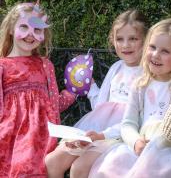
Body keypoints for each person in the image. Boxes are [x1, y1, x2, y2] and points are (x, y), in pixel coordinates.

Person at [45, 9, 149, 178]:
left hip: (119, 134)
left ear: (145, 41)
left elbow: (136, 119)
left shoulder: (147, 74)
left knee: (79, 167)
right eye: (119, 39)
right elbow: (100, 107)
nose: (125, 45)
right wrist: (91, 87)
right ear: (112, 41)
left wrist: (102, 135)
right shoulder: (116, 68)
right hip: (94, 128)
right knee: (52, 161)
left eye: (133, 39)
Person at [88, 17, 171, 178]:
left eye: (165, 51)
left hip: (170, 152)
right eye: (152, 47)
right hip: (138, 148)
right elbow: (128, 123)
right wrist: (136, 141)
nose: (155, 55)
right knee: (111, 167)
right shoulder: (140, 85)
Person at [0, 1, 75, 177]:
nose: (30, 34)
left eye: (37, 29)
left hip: (42, 136)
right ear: (11, 29)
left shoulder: (45, 65)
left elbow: (52, 103)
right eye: (24, 27)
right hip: (11, 137)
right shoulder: (2, 66)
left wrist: (72, 92)